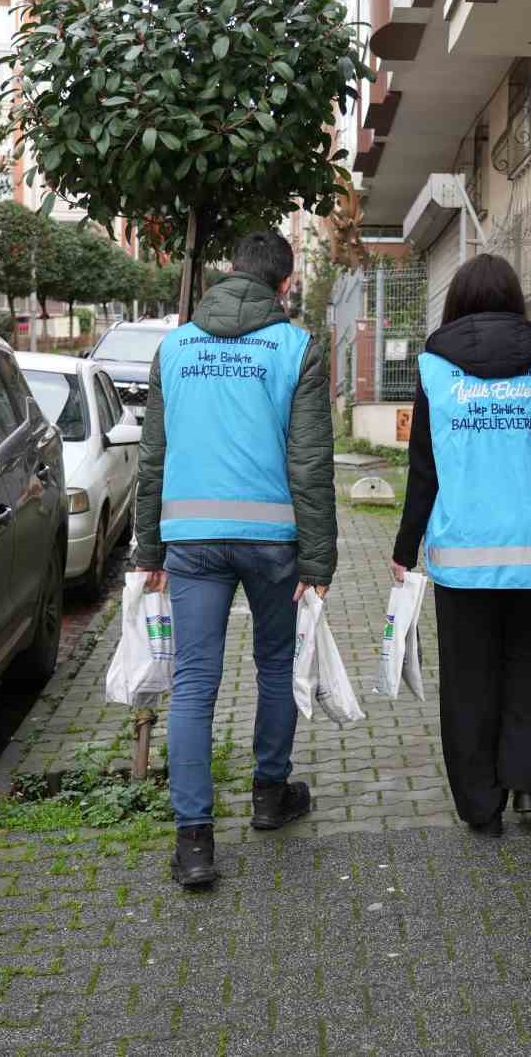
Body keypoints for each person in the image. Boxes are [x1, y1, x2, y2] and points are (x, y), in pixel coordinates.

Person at [133, 231, 337, 889]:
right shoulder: (296, 346)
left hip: (190, 537)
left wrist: (148, 548)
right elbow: (309, 462)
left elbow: (153, 456)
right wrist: (318, 559)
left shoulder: (174, 346)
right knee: (275, 665)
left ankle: (194, 843)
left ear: (228, 275)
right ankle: (270, 797)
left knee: (194, 683)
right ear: (283, 286)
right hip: (272, 536)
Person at [391, 254, 531, 836]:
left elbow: (424, 470)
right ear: (515, 299)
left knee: (467, 680)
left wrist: (405, 548)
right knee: (530, 669)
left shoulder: (436, 369)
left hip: (462, 556)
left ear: (456, 301)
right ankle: (527, 782)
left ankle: (480, 806)